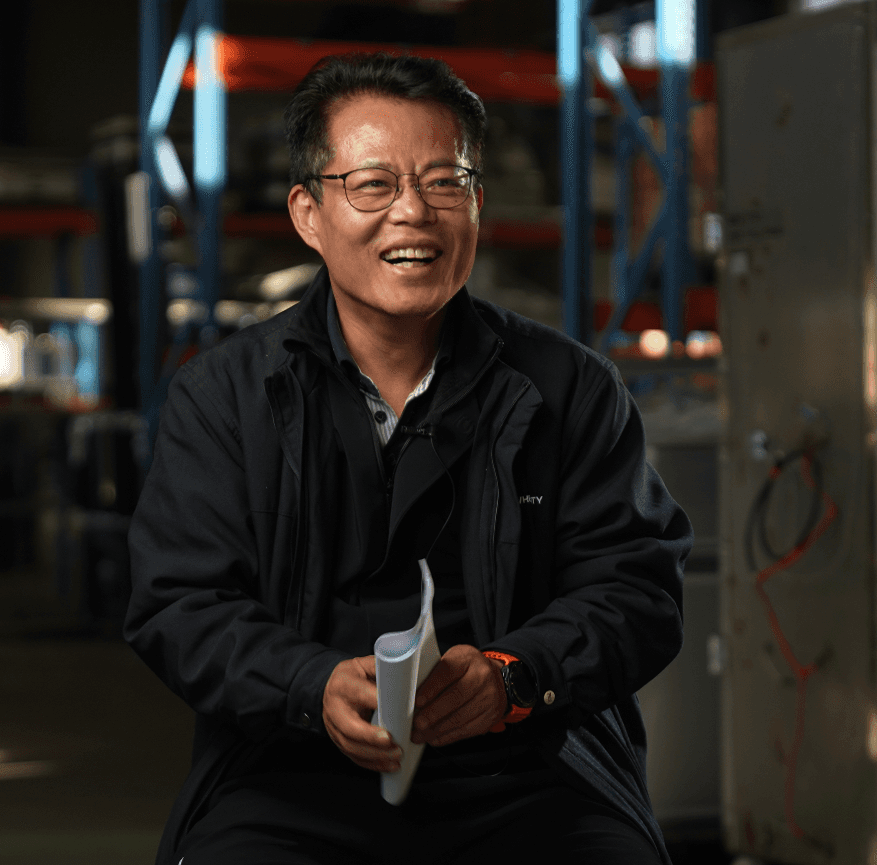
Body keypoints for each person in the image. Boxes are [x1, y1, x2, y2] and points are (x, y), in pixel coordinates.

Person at [126, 52, 691, 865]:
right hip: (290, 770)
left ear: (475, 205)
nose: (412, 213)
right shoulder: (223, 398)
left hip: (527, 768)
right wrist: (309, 684)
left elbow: (637, 587)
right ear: (308, 212)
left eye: (442, 183)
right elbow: (177, 602)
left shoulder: (570, 388)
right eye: (373, 185)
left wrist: (512, 675)